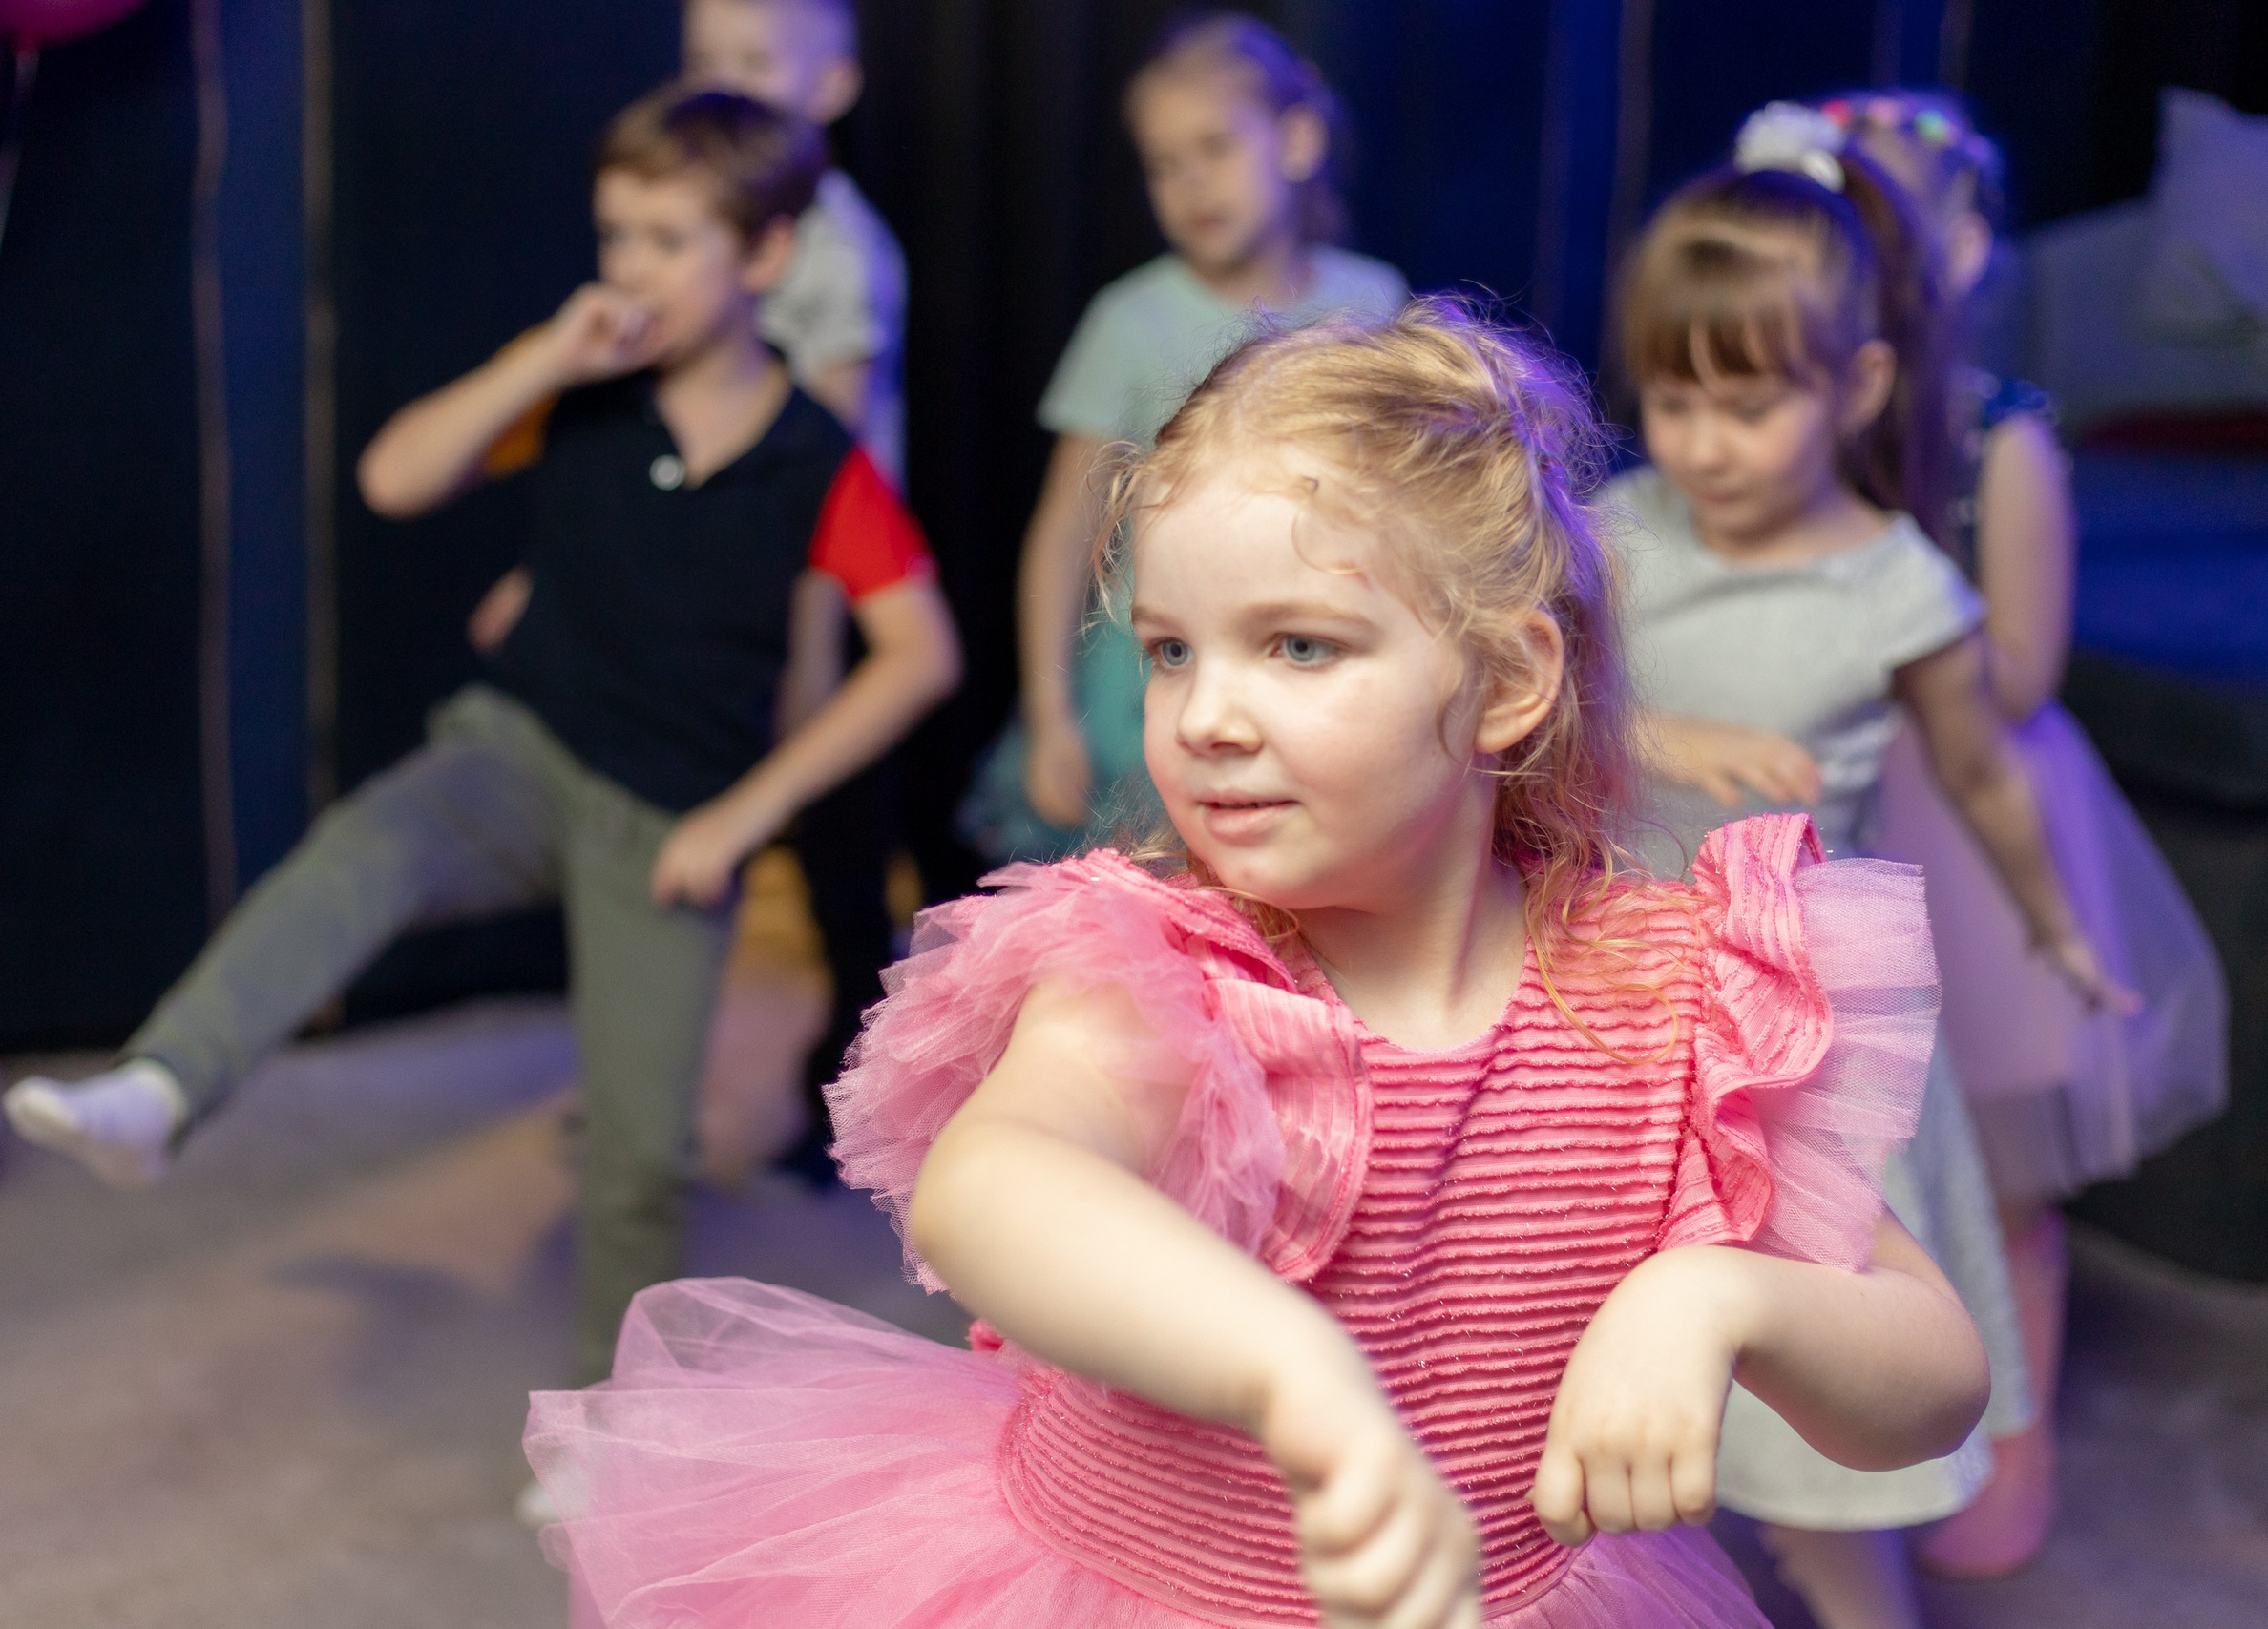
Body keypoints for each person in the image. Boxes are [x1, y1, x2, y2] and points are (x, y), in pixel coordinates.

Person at [522, 303, 1995, 1629]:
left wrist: (1723, 1297)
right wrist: (1288, 1368)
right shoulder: (1155, 964)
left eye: (1297, 646)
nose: (1206, 714)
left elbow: (1932, 1379)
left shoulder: (1681, 994)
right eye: (1171, 650)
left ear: (1510, 682)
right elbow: (991, 1186)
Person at [2, 89, 962, 1392]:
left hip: (671, 819)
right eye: (616, 235)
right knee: (363, 846)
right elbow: (396, 477)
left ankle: (602, 1415)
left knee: (638, 1150)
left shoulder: (819, 461)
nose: (633, 269)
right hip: (517, 749)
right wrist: (547, 360)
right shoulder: (578, 386)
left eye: (671, 240)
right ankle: (165, 1084)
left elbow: (923, 654)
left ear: (764, 258)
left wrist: (746, 816)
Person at [1603, 106, 2123, 1629]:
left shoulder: (1902, 583)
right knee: (1609, 1383)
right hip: (1624, 1004)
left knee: (1810, 1398)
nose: (1702, 441)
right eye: (1672, 398)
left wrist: (2058, 931)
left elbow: (1980, 775)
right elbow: (1520, 710)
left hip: (1805, 1043)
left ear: (1861, 383)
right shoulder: (1619, 536)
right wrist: (1669, 728)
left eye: (1748, 403)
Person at [1818, 89, 2229, 1577]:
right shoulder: (1816, 415)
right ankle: (1855, 1447)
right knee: (1854, 1166)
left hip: (1976, 824)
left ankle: (2009, 1450)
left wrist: (1880, 625)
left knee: (1996, 1177)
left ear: (1975, 248)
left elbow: (2020, 675)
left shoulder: (2005, 443)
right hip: (1844, 800)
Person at [470, 0, 914, 1177]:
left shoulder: (835, 254)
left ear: (832, 87)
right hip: (718, 594)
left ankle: (855, 1097)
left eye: (760, 62)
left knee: (835, 864)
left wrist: (810, 659)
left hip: (822, 600)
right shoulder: (696, 235)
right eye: (709, 60)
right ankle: (637, 1086)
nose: (733, 82)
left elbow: (816, 472)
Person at [962, 12, 1407, 863]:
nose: (1192, 184)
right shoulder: (1129, 321)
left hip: (1306, 661)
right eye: (1164, 165)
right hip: (1144, 693)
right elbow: (1065, 532)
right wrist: (1051, 713)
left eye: (1215, 148)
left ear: (1298, 140)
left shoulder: (1372, 303)